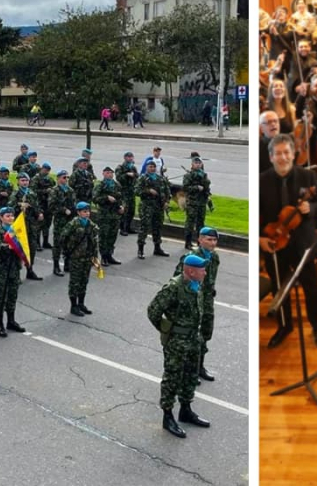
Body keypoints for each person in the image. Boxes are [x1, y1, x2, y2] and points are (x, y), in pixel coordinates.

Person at [259, 134, 317, 348]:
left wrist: (312, 208)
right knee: (279, 287)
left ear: (293, 154)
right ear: (271, 157)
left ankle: (316, 325)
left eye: (286, 152)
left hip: (302, 243)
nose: (283, 157)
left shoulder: (308, 177)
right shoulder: (261, 180)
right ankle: (284, 325)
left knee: (311, 287)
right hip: (274, 242)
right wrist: (259, 238)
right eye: (278, 153)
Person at [148, 254, 211, 438]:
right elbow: (153, 310)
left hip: (193, 340)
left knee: (191, 375)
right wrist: (168, 330)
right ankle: (167, 416)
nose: (205, 272)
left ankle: (185, 409)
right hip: (177, 342)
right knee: (172, 378)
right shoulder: (174, 288)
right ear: (190, 271)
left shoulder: (196, 286)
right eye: (202, 269)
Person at [174, 227, 221, 383]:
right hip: (192, 303)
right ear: (200, 240)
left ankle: (199, 367)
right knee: (193, 338)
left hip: (207, 303)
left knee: (205, 334)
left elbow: (211, 278)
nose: (212, 243)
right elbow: (177, 280)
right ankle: (189, 371)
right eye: (209, 239)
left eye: (214, 240)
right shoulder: (191, 258)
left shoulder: (214, 257)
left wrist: (211, 290)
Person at [0, 207, 26, 337]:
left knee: (12, 295)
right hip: (1, 269)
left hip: (14, 267)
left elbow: (23, 243)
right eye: (7, 216)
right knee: (0, 298)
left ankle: (11, 321)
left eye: (12, 216)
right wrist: (8, 246)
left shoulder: (17, 229)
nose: (10, 218)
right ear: (1, 217)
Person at [60, 201, 100, 316]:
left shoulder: (92, 226)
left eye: (88, 211)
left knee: (84, 281)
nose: (87, 214)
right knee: (75, 283)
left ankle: (81, 303)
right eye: (84, 212)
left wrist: (95, 258)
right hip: (76, 258)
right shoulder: (73, 224)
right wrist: (67, 251)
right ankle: (73, 306)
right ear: (78, 212)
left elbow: (95, 243)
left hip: (87, 258)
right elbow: (63, 237)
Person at [8, 173, 43, 281]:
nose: (25, 182)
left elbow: (36, 205)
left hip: (31, 225)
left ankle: (30, 270)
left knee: (31, 249)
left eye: (26, 180)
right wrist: (19, 205)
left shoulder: (31, 193)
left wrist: (40, 213)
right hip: (20, 226)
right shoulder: (16, 193)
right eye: (22, 180)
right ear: (18, 182)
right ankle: (16, 274)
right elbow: (10, 207)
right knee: (18, 249)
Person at [136, 160, 171, 259]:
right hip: (146, 207)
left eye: (153, 167)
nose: (152, 168)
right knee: (144, 227)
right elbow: (137, 191)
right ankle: (141, 249)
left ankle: (157, 247)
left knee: (158, 227)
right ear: (147, 167)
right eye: (150, 167)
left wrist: (166, 202)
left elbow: (167, 191)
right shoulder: (143, 178)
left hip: (158, 207)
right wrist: (148, 191)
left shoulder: (160, 179)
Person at [92, 167, 124, 265]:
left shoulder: (116, 185)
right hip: (104, 215)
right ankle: (103, 257)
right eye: (107, 173)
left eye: (111, 173)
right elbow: (95, 198)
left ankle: (110, 255)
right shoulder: (100, 185)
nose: (110, 174)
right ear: (103, 174)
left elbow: (121, 197)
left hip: (115, 214)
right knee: (104, 236)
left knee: (113, 235)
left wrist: (122, 206)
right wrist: (106, 197)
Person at [48, 170, 76, 277]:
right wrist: (63, 210)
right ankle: (56, 266)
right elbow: (51, 206)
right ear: (58, 178)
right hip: (60, 221)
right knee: (58, 243)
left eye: (67, 178)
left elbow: (73, 204)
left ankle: (67, 263)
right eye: (64, 177)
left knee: (69, 242)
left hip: (70, 220)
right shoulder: (54, 191)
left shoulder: (70, 190)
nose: (66, 179)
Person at [183, 156, 212, 250]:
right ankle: (188, 242)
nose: (198, 165)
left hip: (202, 202)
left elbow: (207, 188)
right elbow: (186, 188)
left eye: (199, 163)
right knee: (190, 223)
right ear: (192, 164)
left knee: (201, 223)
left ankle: (200, 242)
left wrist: (208, 196)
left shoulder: (204, 175)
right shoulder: (188, 175)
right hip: (192, 202)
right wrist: (196, 187)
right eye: (196, 163)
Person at [115, 152, 140, 236]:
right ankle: (122, 228)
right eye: (128, 157)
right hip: (123, 192)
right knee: (124, 210)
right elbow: (118, 178)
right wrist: (126, 174)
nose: (130, 158)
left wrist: (134, 175)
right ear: (125, 158)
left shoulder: (133, 168)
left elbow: (138, 177)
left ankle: (128, 227)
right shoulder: (120, 167)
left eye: (131, 157)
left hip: (131, 192)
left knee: (131, 211)